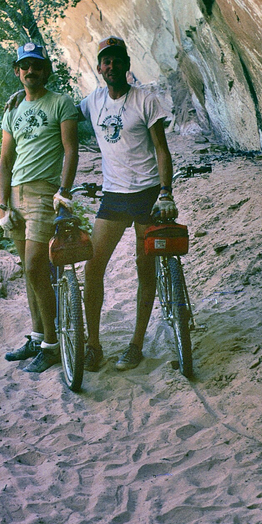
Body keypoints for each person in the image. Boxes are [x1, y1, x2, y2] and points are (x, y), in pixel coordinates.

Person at [79, 36, 177, 372]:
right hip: (114, 196)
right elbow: (61, 114)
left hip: (147, 193)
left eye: (117, 60)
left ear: (127, 64)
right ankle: (93, 346)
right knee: (92, 267)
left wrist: (166, 192)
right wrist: (23, 95)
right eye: (106, 61)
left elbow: (161, 150)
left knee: (144, 267)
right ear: (99, 68)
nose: (112, 66)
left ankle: (135, 345)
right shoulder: (92, 101)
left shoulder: (145, 101)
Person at [0, 42, 79, 373]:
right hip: (15, 196)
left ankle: (51, 344)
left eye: (37, 66)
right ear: (17, 71)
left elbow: (71, 149)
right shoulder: (12, 110)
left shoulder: (60, 103)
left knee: (35, 266)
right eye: (24, 66)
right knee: (27, 270)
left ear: (45, 70)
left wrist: (64, 190)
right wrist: (3, 204)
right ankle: (36, 336)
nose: (31, 71)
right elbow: (4, 160)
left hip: (44, 193)